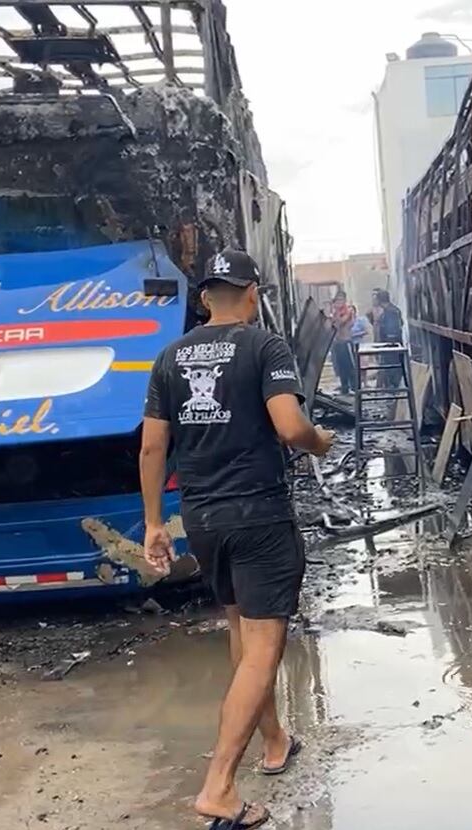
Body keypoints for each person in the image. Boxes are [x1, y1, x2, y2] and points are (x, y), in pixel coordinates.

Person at [140, 250, 333, 830]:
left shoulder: (170, 357)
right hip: (258, 515)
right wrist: (320, 441)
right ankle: (219, 786)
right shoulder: (264, 345)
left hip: (202, 518)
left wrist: (154, 523)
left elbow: (152, 448)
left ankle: (274, 740)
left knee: (240, 627)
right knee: (265, 645)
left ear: (204, 298)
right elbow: (290, 427)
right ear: (252, 294)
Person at [328, 291, 359, 395]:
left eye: (340, 300)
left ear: (344, 300)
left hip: (346, 342)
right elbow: (331, 324)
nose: (338, 302)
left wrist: (335, 313)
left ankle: (354, 387)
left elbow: (341, 322)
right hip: (337, 342)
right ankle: (344, 387)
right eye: (337, 300)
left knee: (350, 366)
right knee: (340, 367)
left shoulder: (348, 310)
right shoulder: (334, 312)